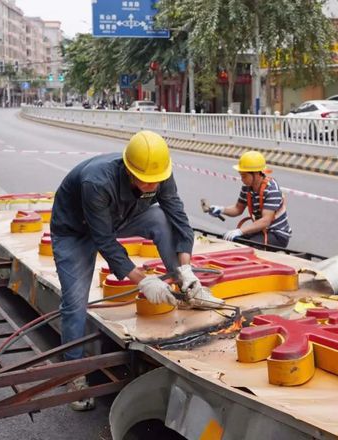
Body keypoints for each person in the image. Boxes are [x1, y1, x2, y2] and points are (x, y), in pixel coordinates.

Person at [51, 130, 222, 411]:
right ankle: (73, 372)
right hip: (74, 230)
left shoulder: (159, 173)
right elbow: (103, 239)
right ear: (129, 170)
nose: (153, 184)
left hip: (120, 216)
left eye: (157, 179)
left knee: (160, 218)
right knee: (74, 302)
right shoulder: (97, 181)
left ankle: (189, 289)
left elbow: (178, 217)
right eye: (146, 180)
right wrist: (144, 281)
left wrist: (186, 268)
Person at [206, 151, 291, 248]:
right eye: (241, 175)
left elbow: (266, 220)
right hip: (260, 230)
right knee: (230, 241)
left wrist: (240, 231)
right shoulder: (247, 187)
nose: (242, 179)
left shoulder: (271, 189)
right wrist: (221, 209)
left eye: (244, 176)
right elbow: (238, 209)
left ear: (256, 174)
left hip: (276, 234)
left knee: (246, 248)